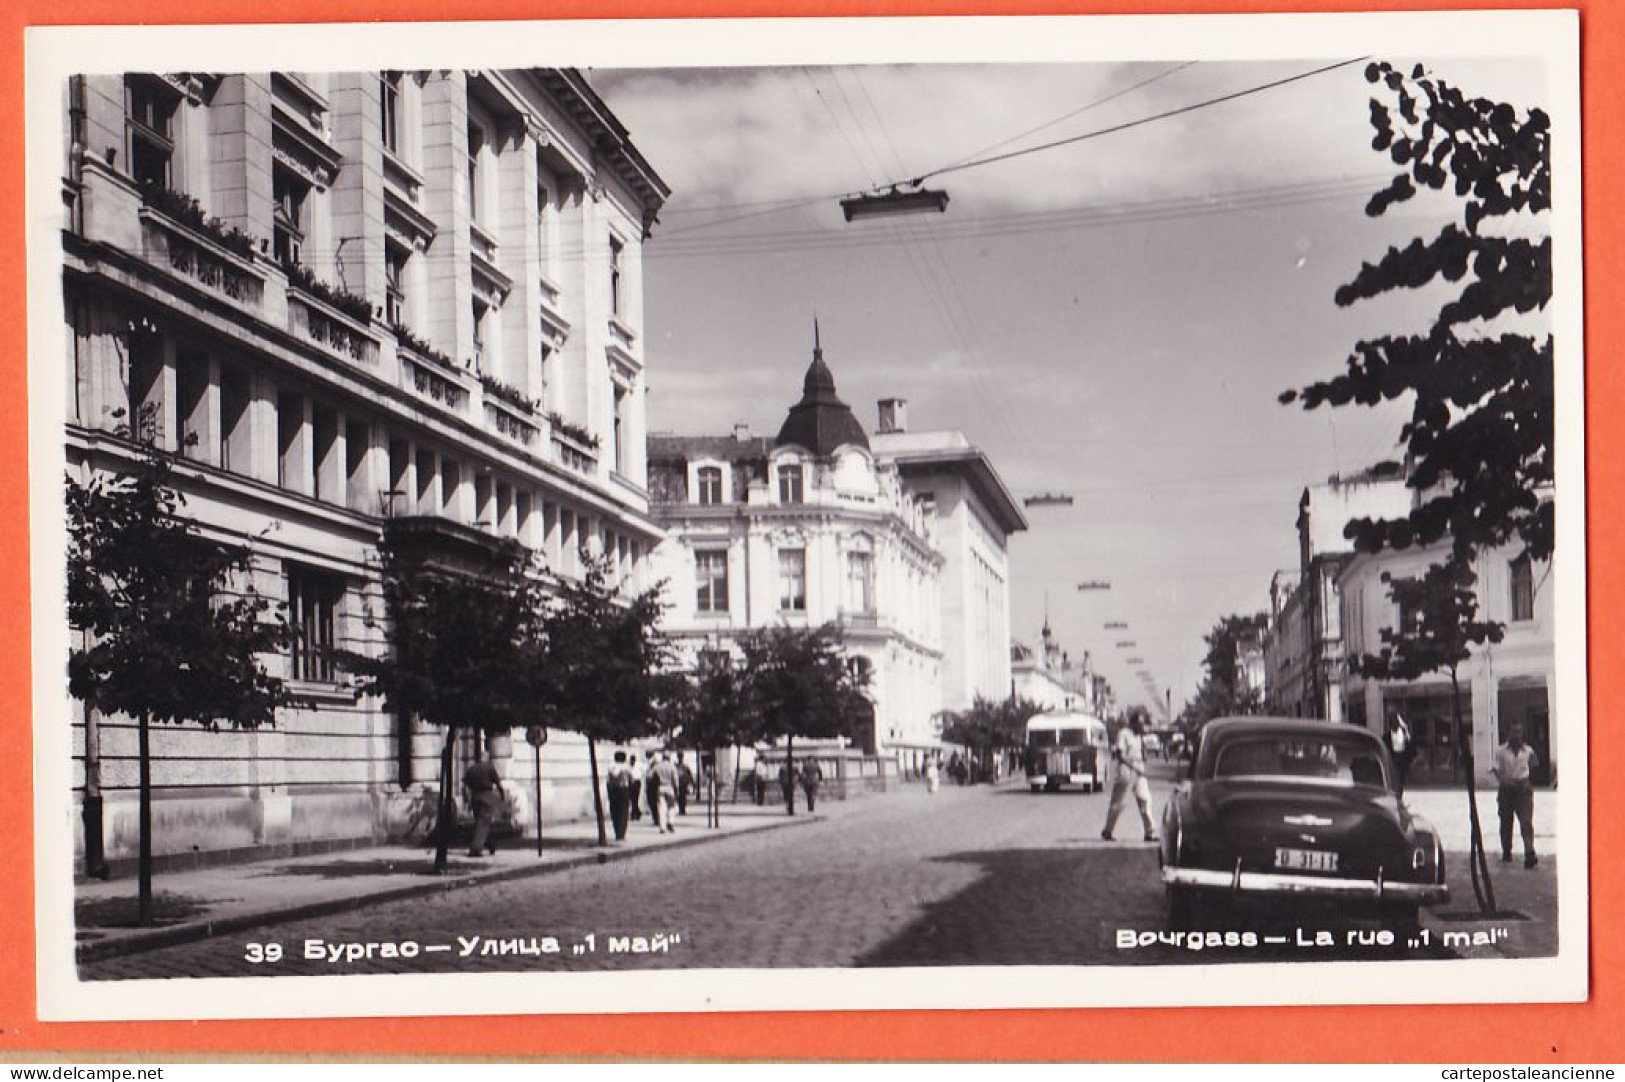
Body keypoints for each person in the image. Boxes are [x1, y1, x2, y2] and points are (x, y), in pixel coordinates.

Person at [1102, 718, 1159, 842]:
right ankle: (1108, 830)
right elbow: (1120, 755)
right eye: (1140, 724)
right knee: (1119, 803)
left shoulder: (1139, 737)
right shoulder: (1124, 734)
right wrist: (1133, 767)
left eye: (1143, 724)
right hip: (1127, 769)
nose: (1142, 727)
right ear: (1134, 723)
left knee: (1145, 799)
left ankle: (1150, 831)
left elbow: (1142, 754)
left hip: (1139, 769)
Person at [1491, 723, 1540, 868]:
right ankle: (1507, 850)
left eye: (1519, 733)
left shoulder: (1528, 751)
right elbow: (1495, 769)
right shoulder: (1501, 751)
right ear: (1509, 735)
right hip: (1506, 789)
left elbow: (1534, 763)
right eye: (1514, 733)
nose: (1517, 736)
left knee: (1526, 821)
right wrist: (1504, 780)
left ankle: (1529, 852)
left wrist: (1527, 780)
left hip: (1523, 789)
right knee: (1506, 821)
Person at [462, 746, 503, 858]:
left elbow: (464, 786)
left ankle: (490, 845)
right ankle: (475, 849)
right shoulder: (490, 768)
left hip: (475, 796)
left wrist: (466, 800)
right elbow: (498, 783)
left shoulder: (471, 769)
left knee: (480, 822)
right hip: (487, 796)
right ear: (487, 757)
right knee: (483, 823)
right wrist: (502, 794)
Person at [606, 750, 634, 841]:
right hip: (624, 790)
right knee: (624, 812)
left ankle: (617, 831)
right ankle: (622, 833)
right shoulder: (627, 767)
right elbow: (632, 779)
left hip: (614, 790)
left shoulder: (611, 767)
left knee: (614, 811)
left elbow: (608, 781)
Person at [1386, 712, 1415, 797]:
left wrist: (1405, 730)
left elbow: (1411, 748)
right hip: (1392, 762)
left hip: (1402, 762)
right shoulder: (1386, 737)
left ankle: (1399, 798)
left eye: (1398, 722)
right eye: (1395, 721)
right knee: (1393, 784)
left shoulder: (1404, 735)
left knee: (1400, 784)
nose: (1397, 723)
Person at [652, 752, 680, 833]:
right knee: (671, 807)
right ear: (669, 758)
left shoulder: (657, 767)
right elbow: (675, 779)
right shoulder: (672, 767)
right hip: (670, 788)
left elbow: (652, 777)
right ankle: (671, 822)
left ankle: (662, 827)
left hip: (660, 787)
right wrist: (676, 789)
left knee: (661, 807)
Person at [645, 750, 664, 830]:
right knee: (652, 802)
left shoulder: (654, 762)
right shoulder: (651, 762)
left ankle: (656, 819)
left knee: (653, 802)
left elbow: (653, 773)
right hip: (651, 784)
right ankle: (655, 818)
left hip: (653, 784)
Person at [628, 753, 644, 822]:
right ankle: (637, 812)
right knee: (632, 799)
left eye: (633, 760)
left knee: (635, 798)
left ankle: (634, 813)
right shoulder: (629, 766)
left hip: (637, 782)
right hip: (631, 782)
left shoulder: (638, 766)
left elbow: (642, 773)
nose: (632, 761)